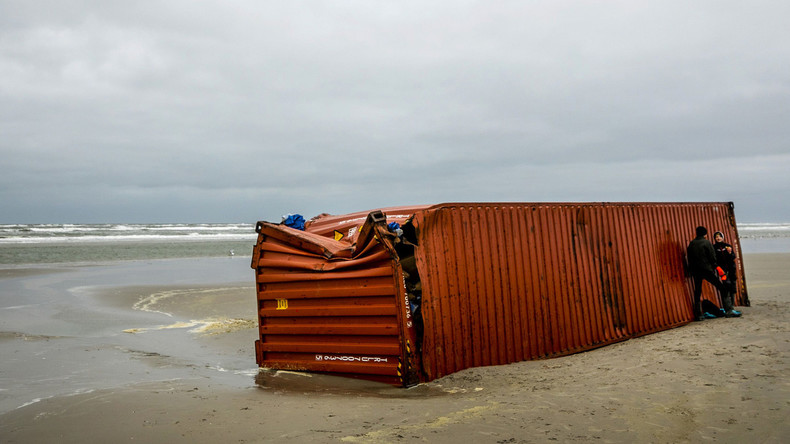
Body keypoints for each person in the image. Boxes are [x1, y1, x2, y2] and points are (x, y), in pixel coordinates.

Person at [687, 226, 728, 321]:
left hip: (695, 271)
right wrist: (715, 267)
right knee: (721, 287)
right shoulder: (706, 242)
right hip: (706, 269)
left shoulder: (692, 243)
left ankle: (698, 315)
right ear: (705, 234)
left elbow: (689, 257)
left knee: (697, 291)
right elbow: (712, 257)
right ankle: (728, 309)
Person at [713, 231, 742, 317]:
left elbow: (733, 257)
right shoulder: (714, 247)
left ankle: (732, 306)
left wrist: (730, 253)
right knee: (726, 287)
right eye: (716, 237)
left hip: (731, 270)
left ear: (723, 237)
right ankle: (728, 308)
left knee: (733, 288)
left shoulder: (728, 246)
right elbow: (714, 260)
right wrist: (718, 268)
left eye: (719, 237)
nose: (718, 238)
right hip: (723, 271)